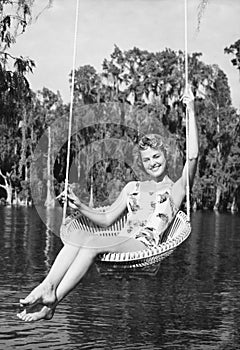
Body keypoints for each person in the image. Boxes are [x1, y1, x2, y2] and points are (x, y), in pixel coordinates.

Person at [17, 87, 198, 322]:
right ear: (141, 163)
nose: (152, 163)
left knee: (92, 242)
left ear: (166, 156)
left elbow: (193, 156)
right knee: (79, 236)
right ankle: (48, 287)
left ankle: (53, 298)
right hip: (119, 241)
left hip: (144, 247)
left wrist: (190, 109)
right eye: (146, 159)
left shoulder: (176, 189)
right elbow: (106, 219)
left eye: (156, 156)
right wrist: (79, 205)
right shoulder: (132, 188)